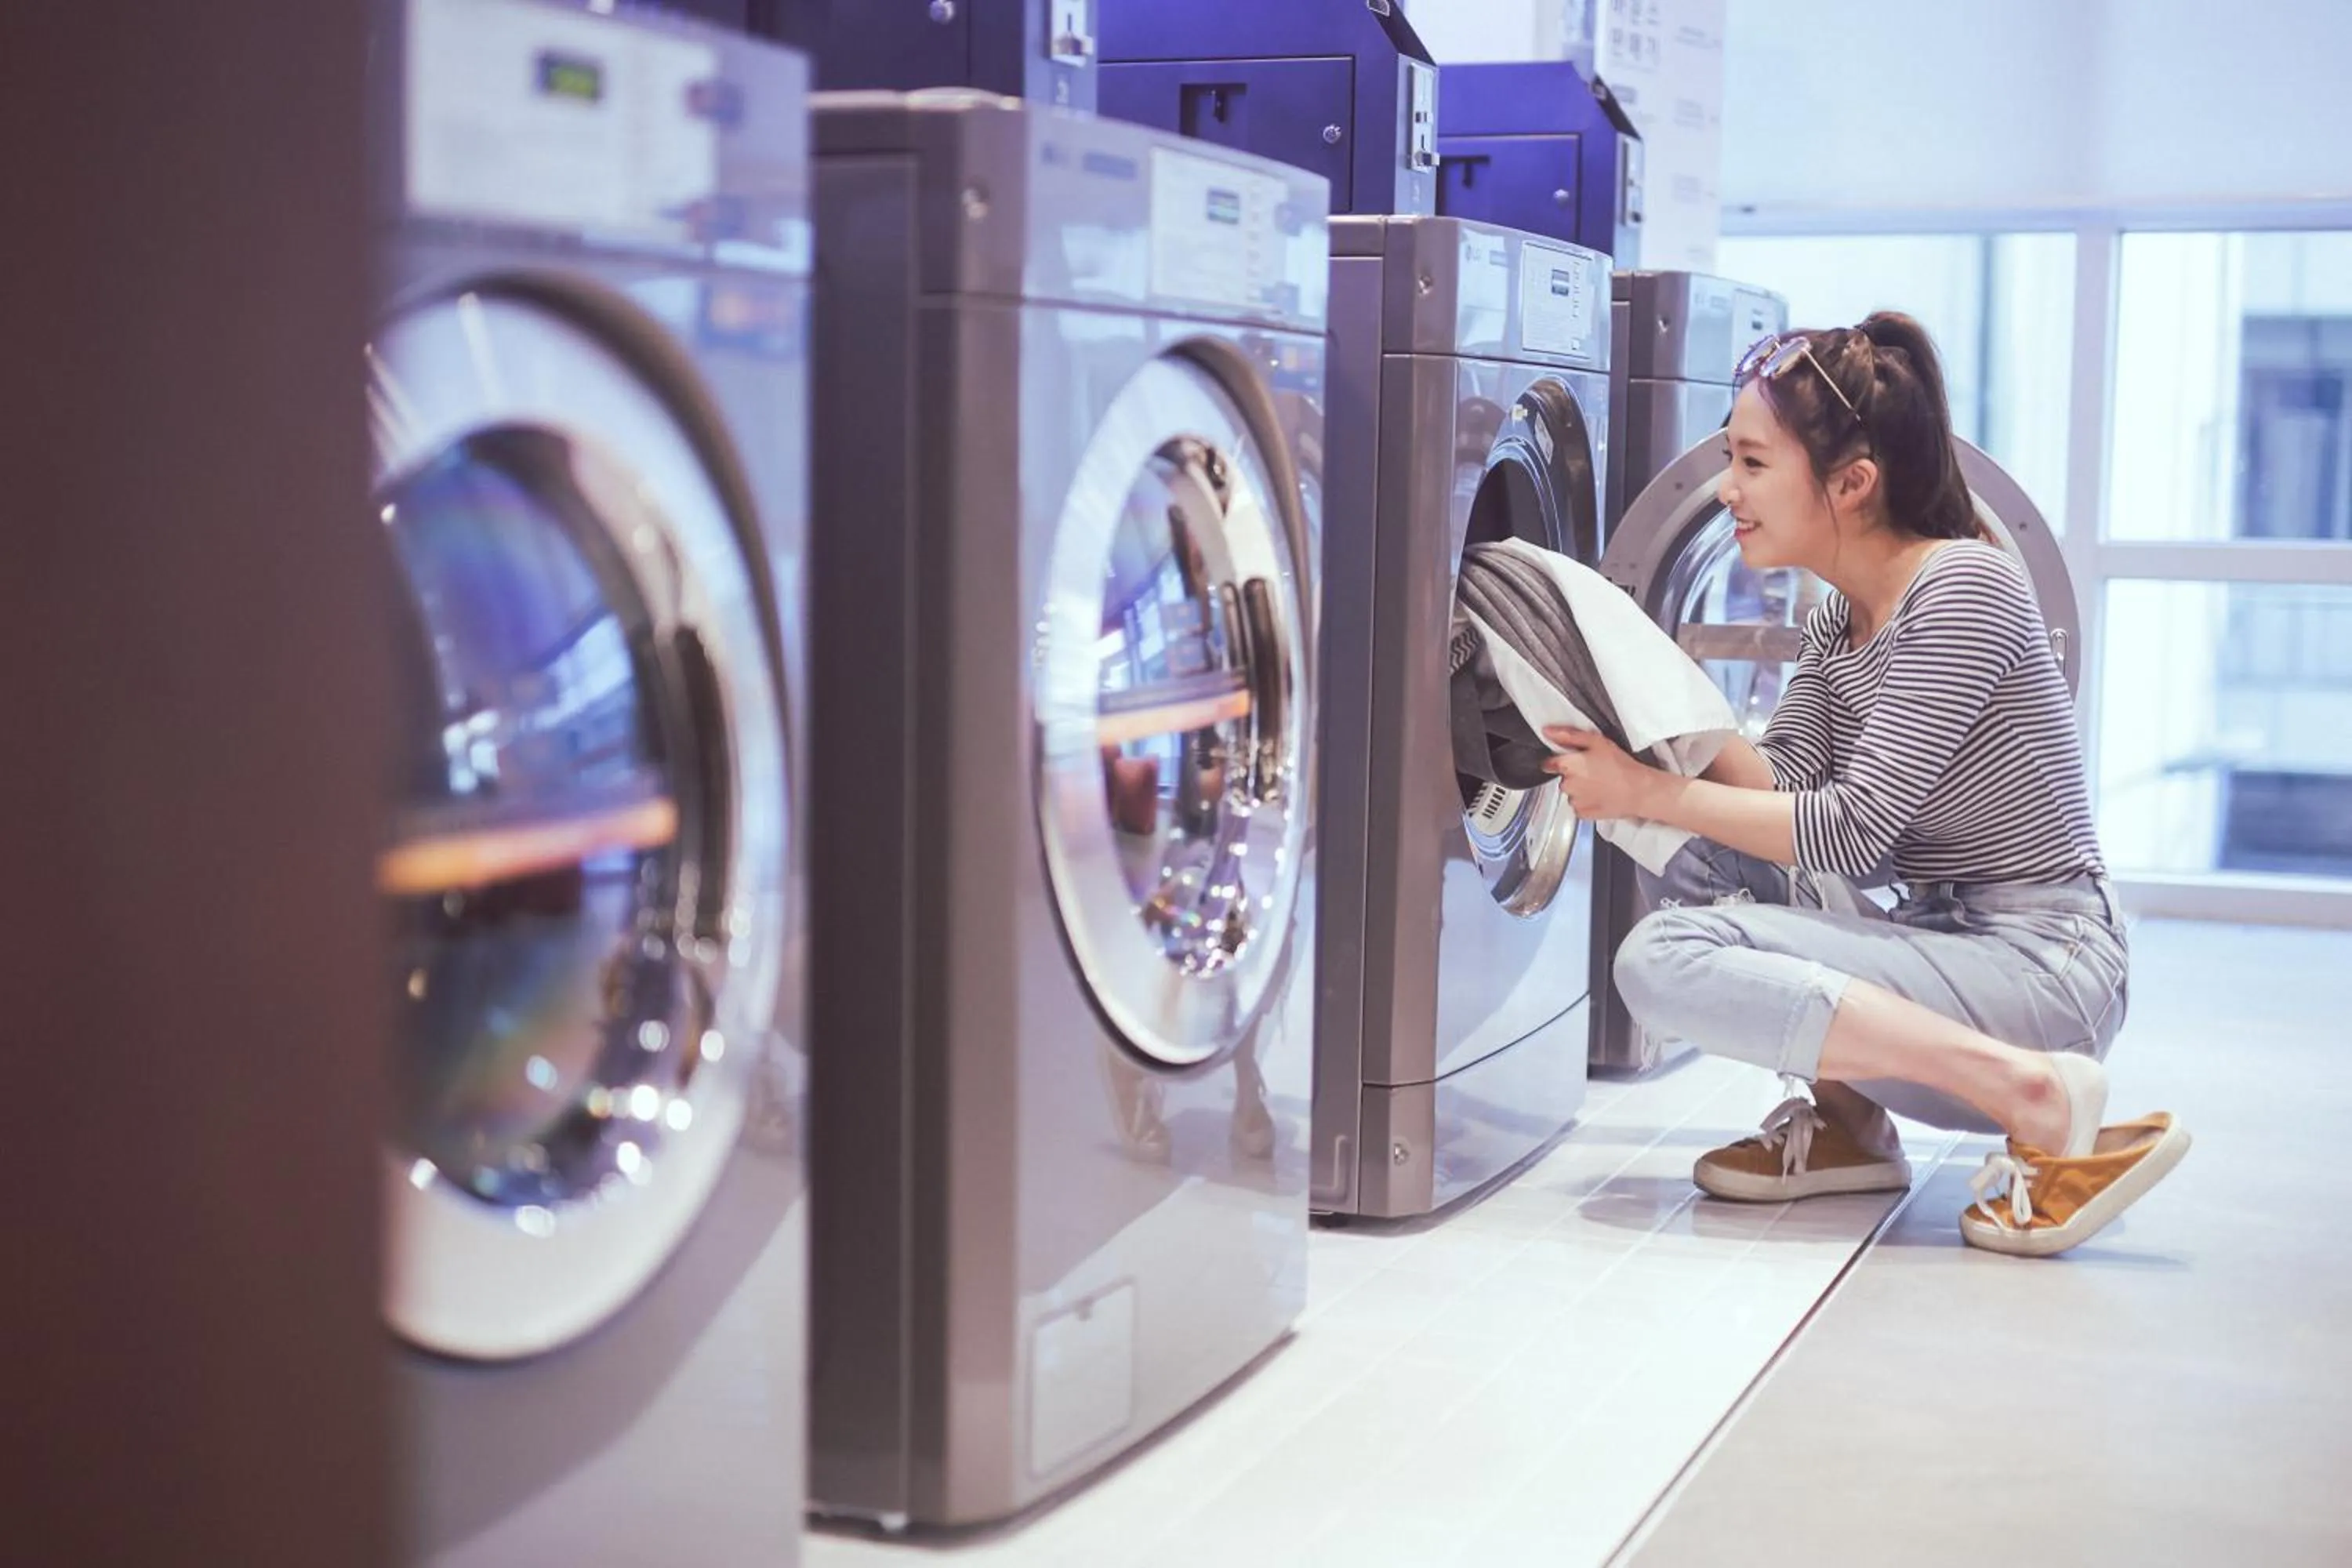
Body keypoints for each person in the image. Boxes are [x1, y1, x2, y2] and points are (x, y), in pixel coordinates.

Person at [1544, 313, 2189, 1258]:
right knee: (1700, 862)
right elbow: (1784, 790)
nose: (1728, 489)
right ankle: (1852, 1124)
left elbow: (1848, 832)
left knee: (1658, 959)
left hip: (2043, 973)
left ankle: (2037, 1093)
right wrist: (1644, 692)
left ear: (1852, 483)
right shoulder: (1837, 621)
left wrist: (1645, 792)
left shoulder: (1966, 585)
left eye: (1754, 463)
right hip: (1938, 942)